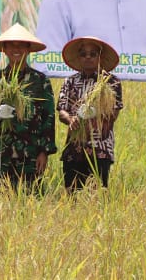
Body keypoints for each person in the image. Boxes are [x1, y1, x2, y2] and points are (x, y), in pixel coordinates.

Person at [0, 24, 57, 191]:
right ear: (4, 49)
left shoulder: (40, 80)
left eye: (21, 44)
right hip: (3, 153)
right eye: (11, 45)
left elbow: (49, 117)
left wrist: (44, 151)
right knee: (2, 197)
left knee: (32, 200)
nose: (16, 49)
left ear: (28, 49)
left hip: (32, 153)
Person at [57, 36, 123, 190]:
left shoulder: (111, 82)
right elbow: (62, 110)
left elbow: (114, 114)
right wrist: (70, 119)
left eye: (92, 54)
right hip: (74, 149)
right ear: (79, 57)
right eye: (83, 54)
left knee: (97, 196)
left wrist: (95, 111)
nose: (88, 57)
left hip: (100, 149)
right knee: (71, 196)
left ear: (100, 56)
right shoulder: (70, 81)